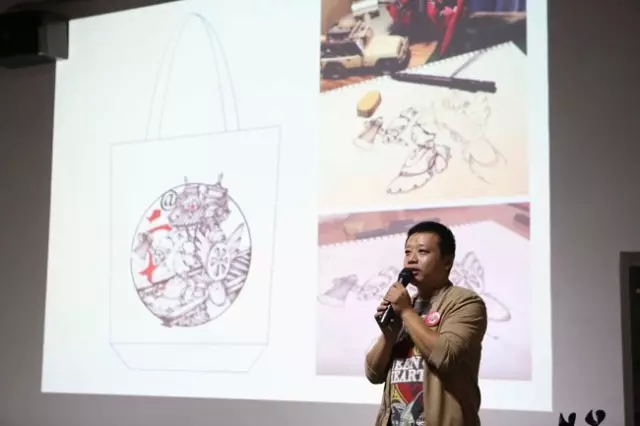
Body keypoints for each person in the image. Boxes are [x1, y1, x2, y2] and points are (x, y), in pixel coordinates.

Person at [364, 221, 487, 426]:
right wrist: (388, 336)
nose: (411, 259)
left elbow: (446, 356)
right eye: (407, 252)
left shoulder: (466, 303)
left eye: (422, 252)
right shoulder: (406, 306)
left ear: (447, 261)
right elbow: (373, 374)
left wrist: (406, 312)